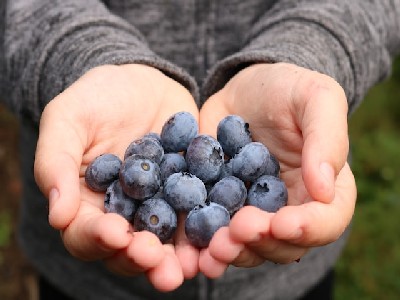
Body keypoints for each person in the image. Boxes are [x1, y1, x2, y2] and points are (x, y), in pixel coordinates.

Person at [1, 0, 399, 299]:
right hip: (88, 280)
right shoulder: (146, 171)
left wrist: (310, 55)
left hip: (285, 275)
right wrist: (75, 58)